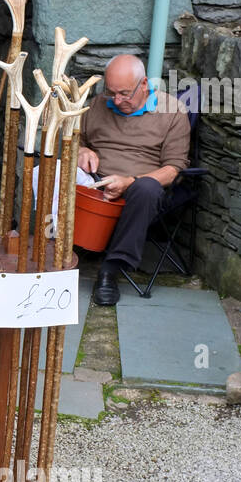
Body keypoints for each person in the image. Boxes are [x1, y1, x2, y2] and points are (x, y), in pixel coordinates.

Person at [77, 54, 190, 306]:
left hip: (139, 186)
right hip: (93, 180)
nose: (117, 100)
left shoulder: (172, 112)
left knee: (147, 189)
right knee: (51, 168)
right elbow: (76, 138)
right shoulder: (98, 104)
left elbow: (173, 169)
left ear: (144, 85)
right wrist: (81, 149)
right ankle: (55, 250)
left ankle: (110, 268)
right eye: (112, 92)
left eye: (125, 93)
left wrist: (130, 181)